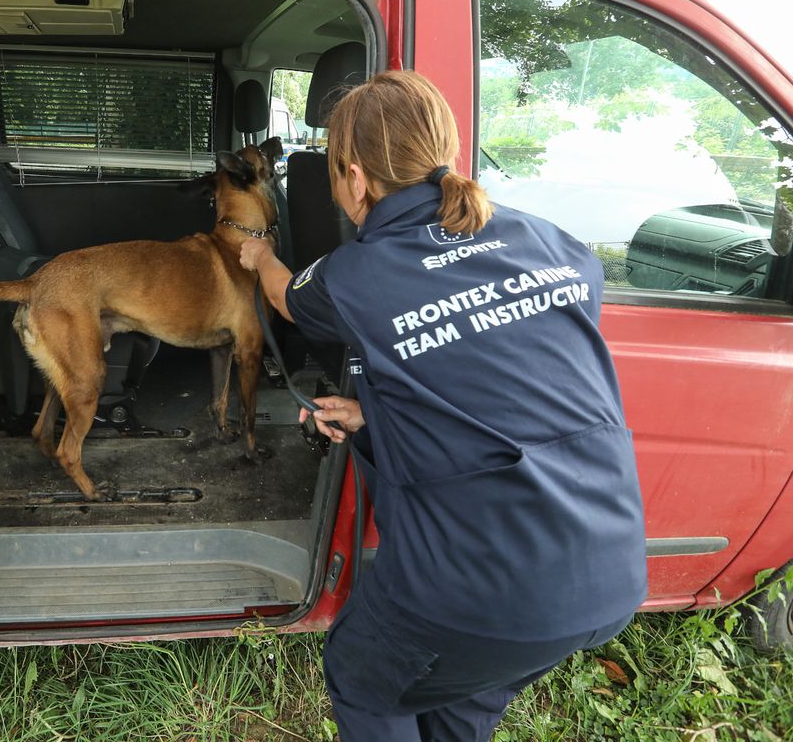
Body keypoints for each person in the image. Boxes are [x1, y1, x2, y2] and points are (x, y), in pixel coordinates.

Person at [238, 70, 647, 742]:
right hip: (609, 573)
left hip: (474, 591)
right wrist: (372, 417)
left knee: (363, 679)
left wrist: (259, 259)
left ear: (355, 179)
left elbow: (287, 299)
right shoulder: (556, 244)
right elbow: (501, 382)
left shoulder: (356, 276)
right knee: (467, 694)